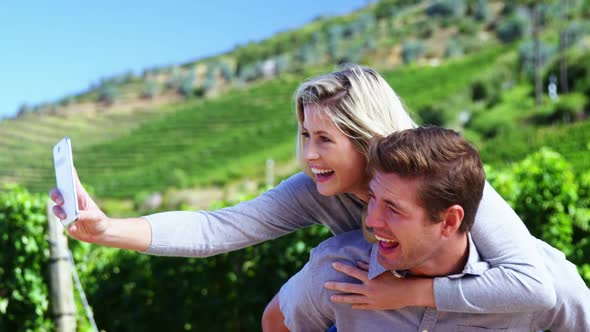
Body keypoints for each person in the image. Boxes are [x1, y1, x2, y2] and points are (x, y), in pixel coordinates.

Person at [50, 65, 554, 318]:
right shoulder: (317, 191)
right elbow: (218, 227)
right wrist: (108, 229)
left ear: (365, 137)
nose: (309, 154)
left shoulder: (440, 179)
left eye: (325, 140)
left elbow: (534, 284)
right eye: (305, 137)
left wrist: (406, 292)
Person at [275, 127, 590, 332]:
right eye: (373, 198)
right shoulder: (338, 270)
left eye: (393, 209)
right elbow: (275, 323)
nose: (371, 221)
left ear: (450, 221)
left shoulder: (546, 281)